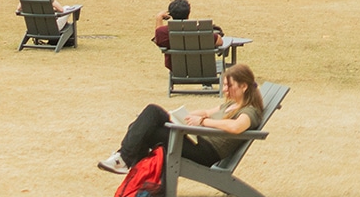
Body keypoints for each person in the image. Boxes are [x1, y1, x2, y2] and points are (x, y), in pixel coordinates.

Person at [97, 64, 264, 175]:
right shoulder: (230, 105)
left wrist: (204, 122)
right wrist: (188, 116)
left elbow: (236, 127)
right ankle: (124, 158)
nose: (225, 90)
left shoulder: (250, 111)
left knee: (151, 118)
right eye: (224, 85)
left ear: (244, 86)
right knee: (148, 119)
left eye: (230, 86)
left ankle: (124, 159)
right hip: (197, 139)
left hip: (205, 152)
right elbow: (206, 111)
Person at [152, 0, 222, 68]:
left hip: (177, 69)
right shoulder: (199, 31)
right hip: (202, 68)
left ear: (170, 14)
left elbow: (158, 37)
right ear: (188, 12)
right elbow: (219, 42)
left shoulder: (165, 32)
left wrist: (159, 18)